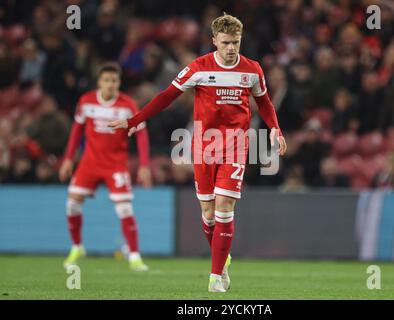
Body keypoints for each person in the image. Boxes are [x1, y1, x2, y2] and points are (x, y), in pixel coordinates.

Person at [108, 14, 287, 292]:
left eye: (236, 43)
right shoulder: (198, 68)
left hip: (235, 145)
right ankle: (222, 257)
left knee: (225, 205)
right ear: (214, 40)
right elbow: (166, 96)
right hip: (203, 146)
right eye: (226, 42)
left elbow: (264, 103)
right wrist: (135, 120)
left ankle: (216, 277)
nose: (231, 48)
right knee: (208, 212)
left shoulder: (252, 70)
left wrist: (275, 128)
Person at [59, 63, 152, 272]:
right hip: (89, 163)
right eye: (107, 80)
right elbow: (77, 130)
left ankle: (135, 256)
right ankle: (77, 247)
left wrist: (145, 165)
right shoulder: (86, 102)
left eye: (114, 81)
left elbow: (142, 133)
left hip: (115, 165)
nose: (110, 84)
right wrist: (67, 158)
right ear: (99, 82)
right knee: (72, 205)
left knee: (125, 208)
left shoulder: (127, 105)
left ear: (119, 83)